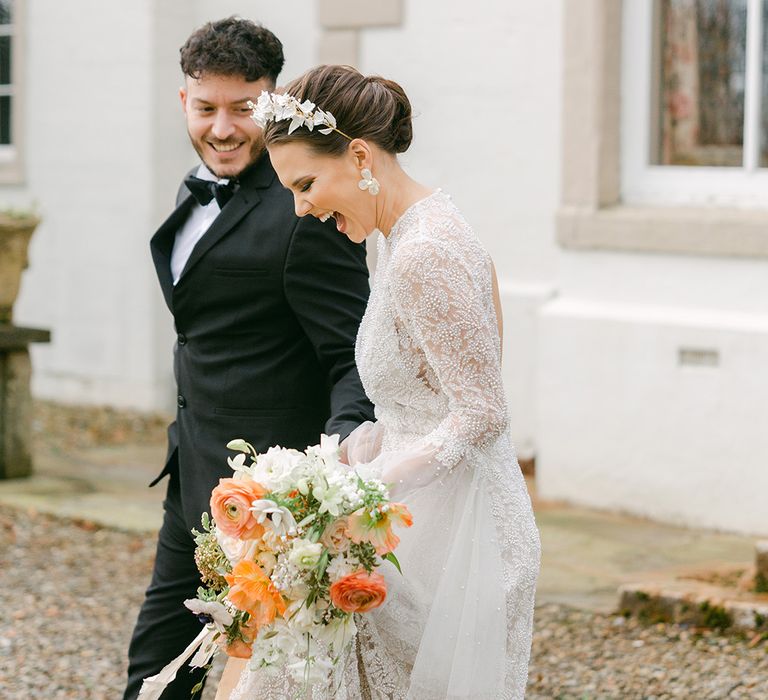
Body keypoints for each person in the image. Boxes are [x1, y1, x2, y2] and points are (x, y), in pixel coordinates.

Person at [218, 64, 541, 699]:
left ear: (360, 155)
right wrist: (352, 453)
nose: (301, 208)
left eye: (306, 183)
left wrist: (359, 489)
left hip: (454, 536)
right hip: (413, 514)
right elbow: (424, 395)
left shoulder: (427, 250)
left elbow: (481, 411)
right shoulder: (393, 240)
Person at [123, 22, 374, 700]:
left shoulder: (305, 209)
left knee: (260, 684)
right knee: (154, 674)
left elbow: (356, 359)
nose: (224, 129)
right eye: (207, 109)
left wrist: (333, 468)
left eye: (243, 109)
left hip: (269, 512)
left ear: (273, 104)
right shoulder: (195, 190)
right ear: (184, 102)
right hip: (191, 484)